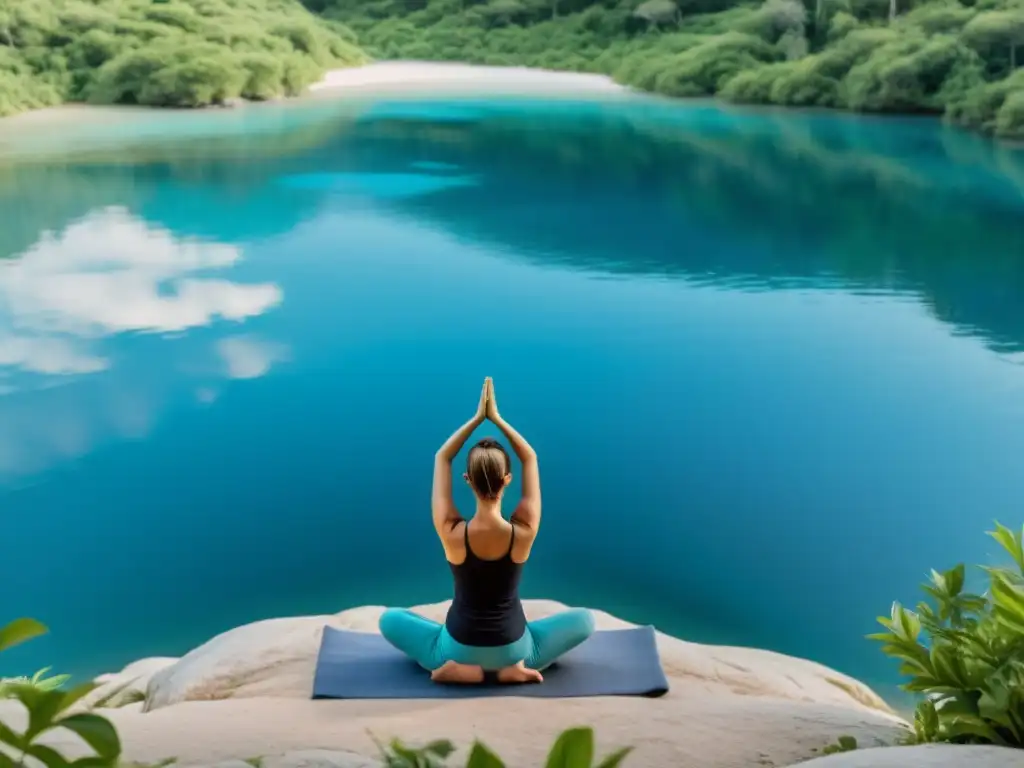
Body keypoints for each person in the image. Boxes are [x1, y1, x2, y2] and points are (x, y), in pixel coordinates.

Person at [378, 377, 595, 684]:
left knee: (391, 619)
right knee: (586, 619)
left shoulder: (451, 531)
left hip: (457, 646)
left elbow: (442, 457)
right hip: (514, 646)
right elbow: (530, 457)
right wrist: (497, 419)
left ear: (467, 479)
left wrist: (476, 420)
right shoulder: (523, 531)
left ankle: (461, 668)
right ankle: (509, 668)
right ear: (507, 479)